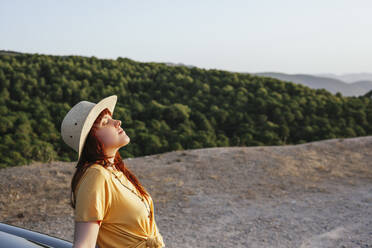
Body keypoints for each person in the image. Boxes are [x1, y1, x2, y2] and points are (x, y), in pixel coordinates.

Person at [60, 95, 165, 248]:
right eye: (105, 122)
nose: (117, 122)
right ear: (92, 139)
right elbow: (85, 245)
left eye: (111, 118)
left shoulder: (116, 171)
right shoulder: (96, 176)